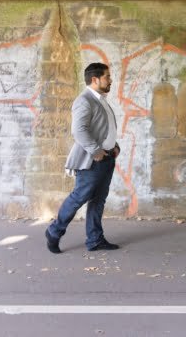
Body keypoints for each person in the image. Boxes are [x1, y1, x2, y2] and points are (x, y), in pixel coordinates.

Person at [45, 63, 121, 253]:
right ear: (95, 79)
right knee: (79, 197)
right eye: (107, 77)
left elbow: (104, 127)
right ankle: (54, 231)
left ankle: (95, 239)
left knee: (98, 200)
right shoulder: (84, 100)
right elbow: (78, 131)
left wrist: (114, 146)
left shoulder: (100, 99)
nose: (110, 80)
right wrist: (96, 151)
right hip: (92, 161)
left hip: (107, 158)